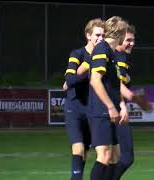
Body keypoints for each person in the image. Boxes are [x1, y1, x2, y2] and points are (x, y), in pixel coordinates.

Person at [87, 16, 129, 180]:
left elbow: (113, 85)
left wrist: (121, 105)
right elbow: (95, 80)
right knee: (104, 155)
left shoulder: (111, 53)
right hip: (100, 111)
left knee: (115, 157)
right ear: (121, 34)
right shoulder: (102, 49)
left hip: (110, 112)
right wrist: (111, 107)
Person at [63, 18, 104, 180]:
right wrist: (89, 65)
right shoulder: (77, 54)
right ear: (88, 35)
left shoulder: (104, 56)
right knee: (78, 149)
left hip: (92, 109)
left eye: (103, 35)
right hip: (75, 108)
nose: (100, 38)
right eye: (97, 35)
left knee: (86, 153)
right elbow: (69, 81)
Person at [113, 23, 136, 180]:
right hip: (116, 112)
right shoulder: (120, 57)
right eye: (128, 39)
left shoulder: (117, 56)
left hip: (108, 111)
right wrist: (122, 106)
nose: (131, 43)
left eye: (133, 40)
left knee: (110, 158)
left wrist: (127, 77)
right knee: (126, 157)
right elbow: (118, 84)